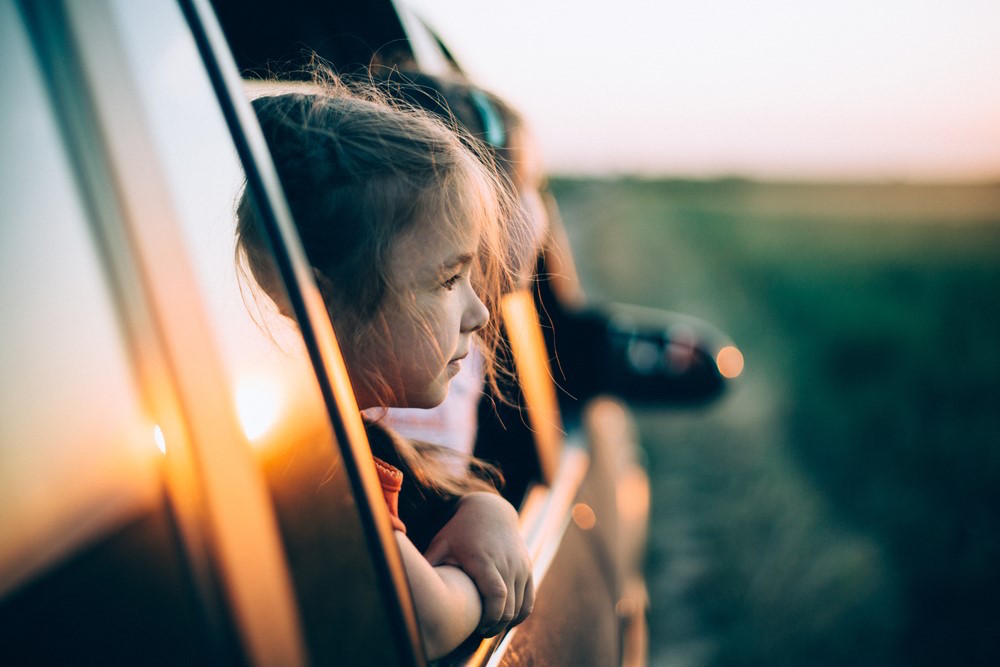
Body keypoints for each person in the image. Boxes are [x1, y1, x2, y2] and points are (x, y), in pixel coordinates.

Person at [234, 80, 533, 659]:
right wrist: (480, 586)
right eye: (449, 279)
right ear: (319, 305)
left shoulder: (355, 445)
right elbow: (417, 621)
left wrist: (485, 508)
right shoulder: (316, 473)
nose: (478, 311)